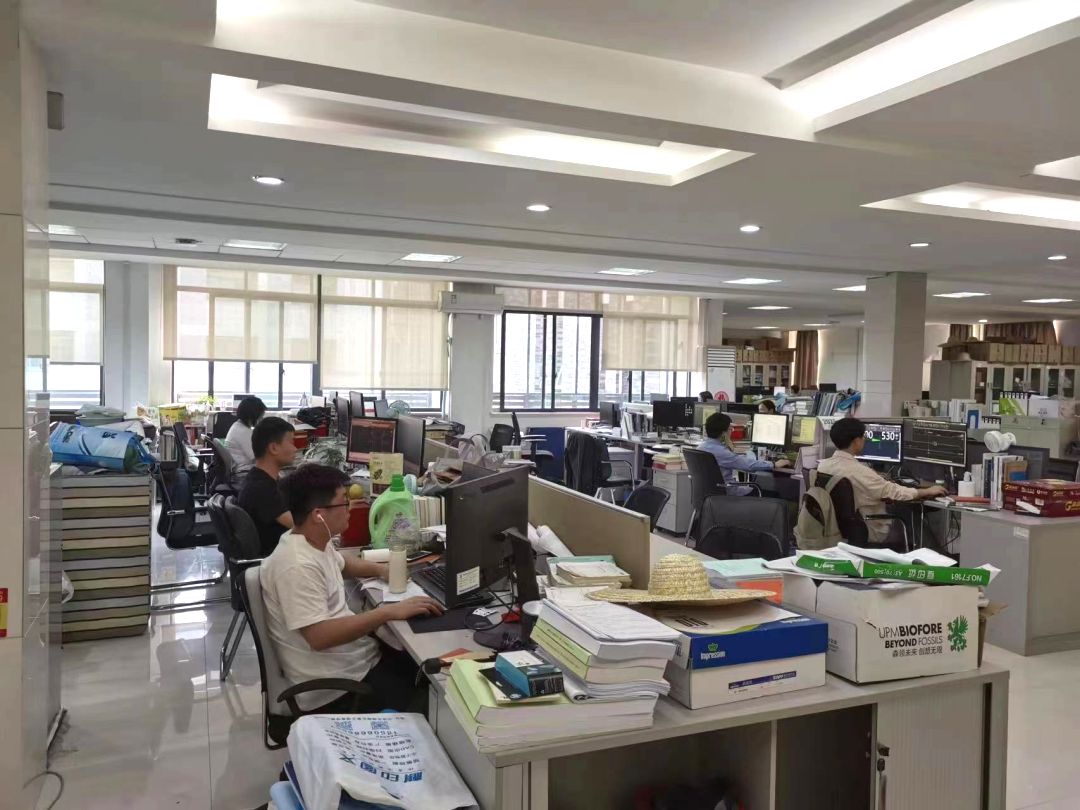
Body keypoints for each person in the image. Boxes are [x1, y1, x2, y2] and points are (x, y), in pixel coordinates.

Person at [260, 463, 443, 713]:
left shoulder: (310, 540)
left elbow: (343, 564)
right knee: (438, 697)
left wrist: (382, 570)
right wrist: (387, 612)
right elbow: (320, 636)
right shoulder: (296, 566)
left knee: (425, 664)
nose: (350, 507)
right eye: (343, 502)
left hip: (355, 660)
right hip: (338, 688)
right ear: (318, 515)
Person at [817, 418, 946, 544]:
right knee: (910, 512)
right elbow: (894, 492)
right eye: (863, 437)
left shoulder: (822, 466)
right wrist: (927, 491)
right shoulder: (860, 472)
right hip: (870, 528)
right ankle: (933, 554)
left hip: (838, 529)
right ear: (857, 441)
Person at [238, 416, 297, 555]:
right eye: (291, 442)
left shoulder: (257, 478)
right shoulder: (261, 490)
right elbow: (301, 528)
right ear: (274, 448)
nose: (296, 449)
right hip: (280, 558)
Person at [698, 412, 789, 495]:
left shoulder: (701, 447)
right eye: (730, 429)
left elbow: (729, 460)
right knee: (775, 495)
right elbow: (748, 465)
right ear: (723, 434)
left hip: (712, 493)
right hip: (729, 493)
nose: (731, 431)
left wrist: (729, 448)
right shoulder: (722, 453)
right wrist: (774, 464)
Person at [224, 396, 266, 470]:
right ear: (253, 416)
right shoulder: (243, 432)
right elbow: (258, 458)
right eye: (260, 417)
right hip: (244, 471)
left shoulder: (237, 426)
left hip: (241, 468)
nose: (261, 419)